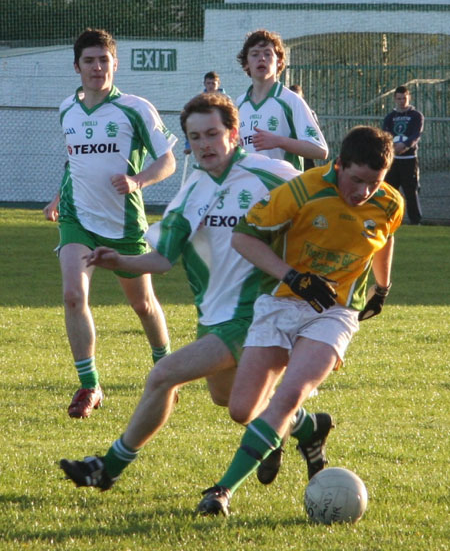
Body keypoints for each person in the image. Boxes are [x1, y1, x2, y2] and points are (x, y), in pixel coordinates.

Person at [59, 92, 300, 490]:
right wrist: (120, 261)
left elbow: (322, 195)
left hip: (261, 314)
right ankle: (304, 426)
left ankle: (107, 467)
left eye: (212, 134)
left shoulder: (272, 174)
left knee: (164, 374)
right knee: (231, 402)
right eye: (195, 137)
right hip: (213, 319)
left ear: (233, 134)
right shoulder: (192, 193)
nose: (204, 144)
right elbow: (162, 259)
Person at [196, 126, 404, 517]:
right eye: (356, 180)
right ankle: (308, 429)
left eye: (374, 184)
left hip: (335, 311)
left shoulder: (390, 203)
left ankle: (222, 491)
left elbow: (386, 235)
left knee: (288, 396)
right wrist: (292, 276)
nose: (363, 192)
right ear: (338, 165)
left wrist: (383, 286)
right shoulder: (302, 189)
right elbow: (244, 237)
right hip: (281, 301)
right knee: (242, 408)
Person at [43, 28, 177, 419]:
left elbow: (168, 159)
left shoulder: (135, 107)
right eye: (89, 60)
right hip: (76, 218)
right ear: (76, 66)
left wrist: (138, 180)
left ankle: (165, 372)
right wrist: (57, 196)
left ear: (115, 64)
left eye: (104, 60)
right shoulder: (67, 108)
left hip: (122, 224)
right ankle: (90, 386)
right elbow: (75, 162)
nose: (97, 67)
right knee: (73, 296)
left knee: (143, 305)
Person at [236, 29, 328, 171]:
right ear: (246, 63)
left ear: (279, 62)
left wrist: (278, 141)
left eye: (268, 54)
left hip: (283, 189)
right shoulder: (239, 104)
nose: (261, 58)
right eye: (255, 54)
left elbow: (320, 150)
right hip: (249, 190)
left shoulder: (291, 101)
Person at [382, 85, 424, 225]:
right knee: (389, 191)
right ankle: (388, 220)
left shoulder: (416, 115)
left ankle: (415, 221)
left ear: (409, 97)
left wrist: (405, 145)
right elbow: (385, 134)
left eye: (404, 98)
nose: (401, 101)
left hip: (409, 159)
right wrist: (392, 147)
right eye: (399, 98)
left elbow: (416, 134)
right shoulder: (390, 117)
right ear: (394, 99)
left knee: (411, 191)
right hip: (393, 161)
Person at [183, 71, 227, 155]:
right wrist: (188, 145)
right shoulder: (199, 101)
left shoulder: (226, 100)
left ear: (218, 84)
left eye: (213, 83)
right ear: (204, 84)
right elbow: (191, 122)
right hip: (205, 136)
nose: (210, 86)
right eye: (208, 83)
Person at [288, 84, 320, 171]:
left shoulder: (310, 113)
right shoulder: (283, 112)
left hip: (305, 152)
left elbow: (315, 134)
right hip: (289, 151)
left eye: (299, 98)